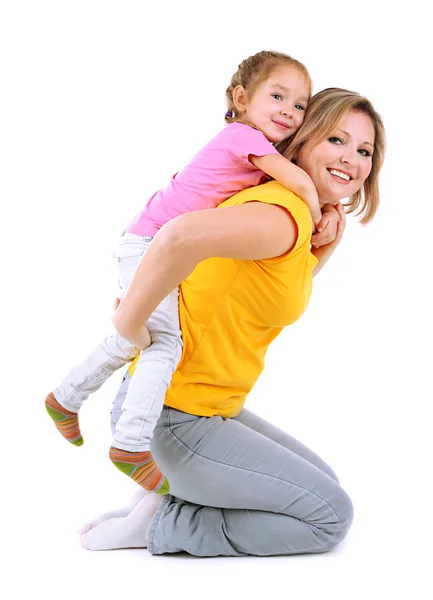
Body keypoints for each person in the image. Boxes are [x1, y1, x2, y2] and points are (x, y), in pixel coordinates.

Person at [79, 87, 386, 557]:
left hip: (205, 409)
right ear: (301, 141)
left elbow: (274, 293)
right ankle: (166, 521)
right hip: (175, 420)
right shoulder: (280, 215)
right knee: (329, 517)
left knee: (325, 486)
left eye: (364, 150)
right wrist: (128, 322)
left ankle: (168, 493)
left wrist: (328, 235)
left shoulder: (297, 219)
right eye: (336, 140)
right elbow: (177, 236)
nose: (352, 159)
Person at [45, 50, 339, 495]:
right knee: (162, 344)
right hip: (152, 244)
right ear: (241, 98)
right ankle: (129, 444)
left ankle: (66, 398)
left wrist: (332, 213)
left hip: (153, 241)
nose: (289, 111)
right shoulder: (243, 138)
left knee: (136, 335)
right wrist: (320, 210)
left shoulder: (252, 152)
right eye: (277, 96)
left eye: (300, 105)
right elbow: (298, 183)